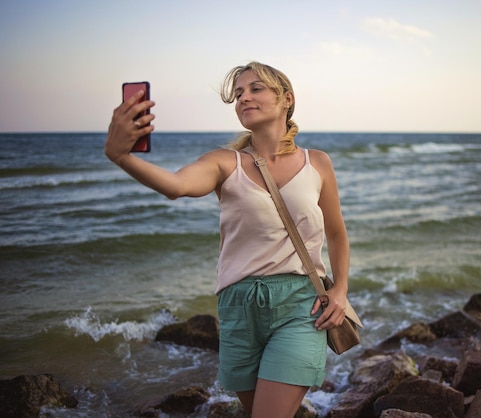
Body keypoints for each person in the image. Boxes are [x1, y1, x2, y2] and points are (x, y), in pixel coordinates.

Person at [104, 61, 350, 418]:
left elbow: (337, 233)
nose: (244, 98)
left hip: (300, 306)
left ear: (286, 99)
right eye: (238, 94)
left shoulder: (318, 163)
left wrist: (340, 289)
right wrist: (119, 156)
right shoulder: (224, 163)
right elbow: (176, 186)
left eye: (255, 89)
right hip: (238, 309)